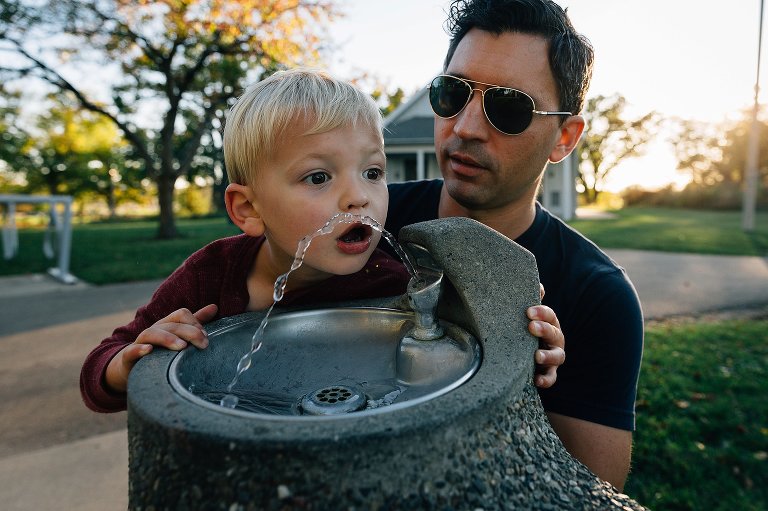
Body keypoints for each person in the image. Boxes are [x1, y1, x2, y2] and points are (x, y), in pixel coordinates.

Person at [383, 0, 643, 490]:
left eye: (507, 108)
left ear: (564, 137)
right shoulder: (367, 222)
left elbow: (591, 492)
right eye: (452, 93)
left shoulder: (598, 297)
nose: (465, 127)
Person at [80, 69, 412, 412]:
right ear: (249, 209)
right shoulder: (209, 277)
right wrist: (129, 364)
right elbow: (98, 369)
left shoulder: (389, 286)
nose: (358, 197)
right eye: (318, 177)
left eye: (372, 173)